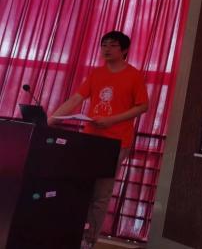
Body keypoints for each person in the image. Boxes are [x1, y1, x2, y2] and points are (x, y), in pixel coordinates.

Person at [49, 31, 149, 249]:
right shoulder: (97, 73)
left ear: (124, 50)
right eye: (104, 45)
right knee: (79, 187)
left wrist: (112, 120)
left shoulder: (134, 75)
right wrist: (52, 118)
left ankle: (89, 239)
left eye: (112, 45)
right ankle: (70, 233)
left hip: (116, 142)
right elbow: (76, 98)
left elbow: (143, 106)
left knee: (101, 194)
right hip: (90, 140)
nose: (106, 49)